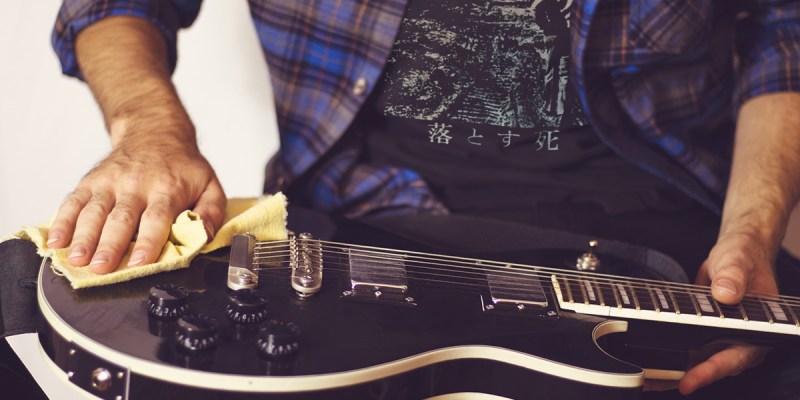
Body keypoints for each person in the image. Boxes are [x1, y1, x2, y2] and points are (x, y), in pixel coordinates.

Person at [46, 0, 800, 397]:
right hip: (354, 225)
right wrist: (150, 131)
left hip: (666, 242)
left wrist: (753, 229)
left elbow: (782, 27)